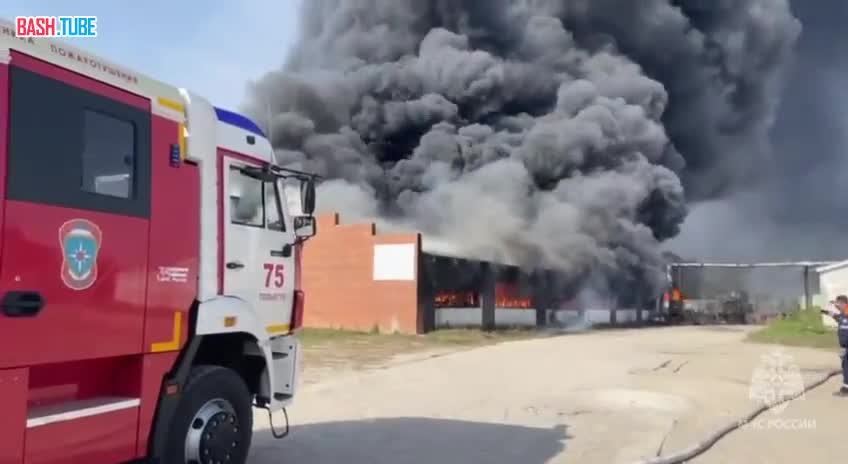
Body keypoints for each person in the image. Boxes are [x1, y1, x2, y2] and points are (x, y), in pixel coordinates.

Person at [824, 295, 848, 396]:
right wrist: (823, 311)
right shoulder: (841, 316)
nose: (836, 306)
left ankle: (846, 388)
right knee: (845, 365)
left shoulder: (846, 312)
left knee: (846, 365)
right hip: (844, 346)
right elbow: (833, 314)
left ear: (843, 304)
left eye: (838, 304)